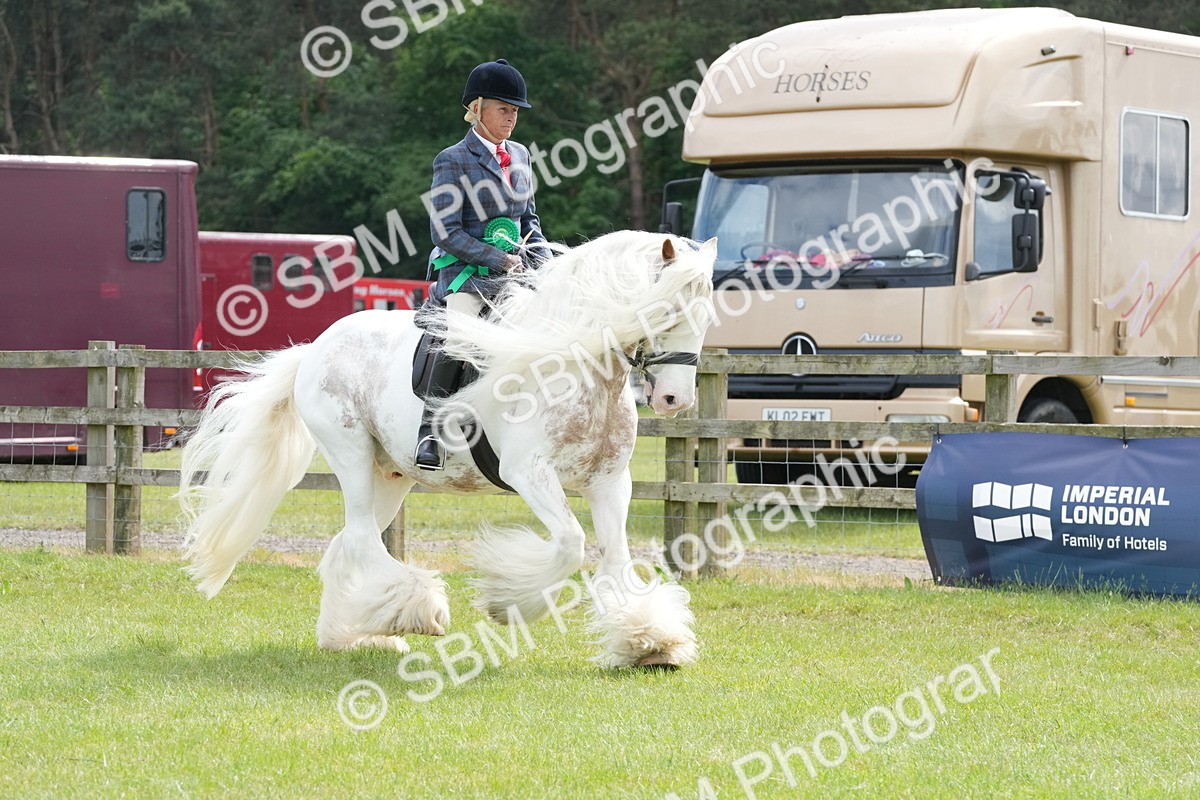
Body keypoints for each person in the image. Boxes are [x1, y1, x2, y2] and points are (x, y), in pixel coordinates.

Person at [416, 58, 547, 470]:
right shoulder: (452, 159)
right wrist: (498, 259)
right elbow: (445, 232)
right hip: (466, 276)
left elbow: (531, 220)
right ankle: (429, 432)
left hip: (516, 273)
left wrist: (542, 262)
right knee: (460, 335)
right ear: (476, 108)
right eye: (503, 109)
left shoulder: (522, 155)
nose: (511, 117)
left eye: (515, 111)